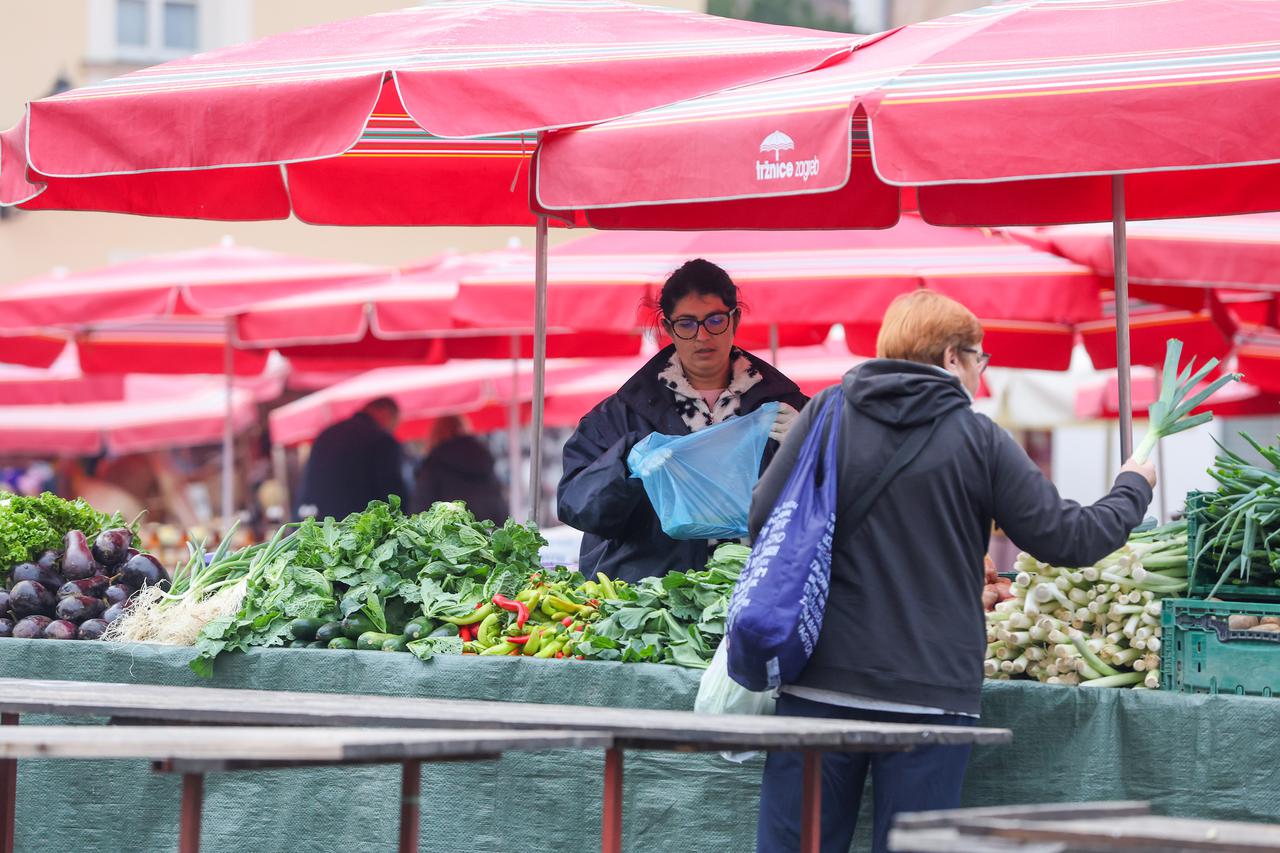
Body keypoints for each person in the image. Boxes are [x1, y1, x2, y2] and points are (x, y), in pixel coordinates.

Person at [748, 290, 1156, 853]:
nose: (980, 376)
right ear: (949, 358)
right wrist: (1134, 485)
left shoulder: (827, 412)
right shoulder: (978, 438)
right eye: (979, 359)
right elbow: (1070, 537)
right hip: (929, 695)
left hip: (818, 684)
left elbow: (765, 521)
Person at [558, 258, 808, 583]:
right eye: (687, 324)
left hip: (763, 592)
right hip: (653, 607)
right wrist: (625, 464)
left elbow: (841, 499)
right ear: (667, 327)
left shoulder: (791, 409)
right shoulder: (620, 416)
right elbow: (577, 506)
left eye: (715, 320)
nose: (702, 336)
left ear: (736, 319)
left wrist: (810, 445)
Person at [296, 397, 407, 521]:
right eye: (395, 422)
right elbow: (392, 491)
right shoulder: (381, 439)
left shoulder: (327, 434)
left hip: (315, 521)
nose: (393, 428)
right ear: (385, 413)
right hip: (355, 527)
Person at [411, 415, 506, 524]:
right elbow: (498, 499)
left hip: (452, 534)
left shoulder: (434, 463)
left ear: (435, 434)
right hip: (491, 529)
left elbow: (420, 509)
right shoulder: (482, 457)